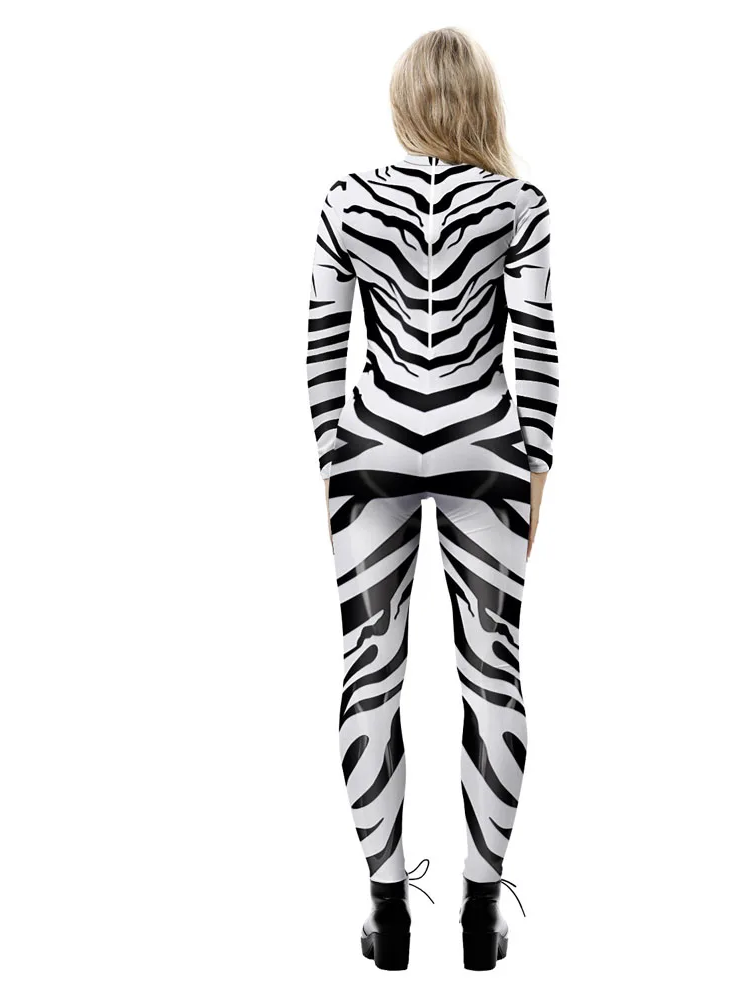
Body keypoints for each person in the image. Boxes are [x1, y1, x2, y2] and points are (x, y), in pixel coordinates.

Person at [305, 27, 559, 971]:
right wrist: (537, 467)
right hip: (484, 441)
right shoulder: (518, 204)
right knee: (493, 669)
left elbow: (323, 345)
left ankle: (388, 911)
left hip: (371, 441)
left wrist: (332, 460)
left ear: (404, 98)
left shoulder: (347, 200)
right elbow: (535, 346)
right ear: (481, 98)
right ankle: (481, 914)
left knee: (370, 667)